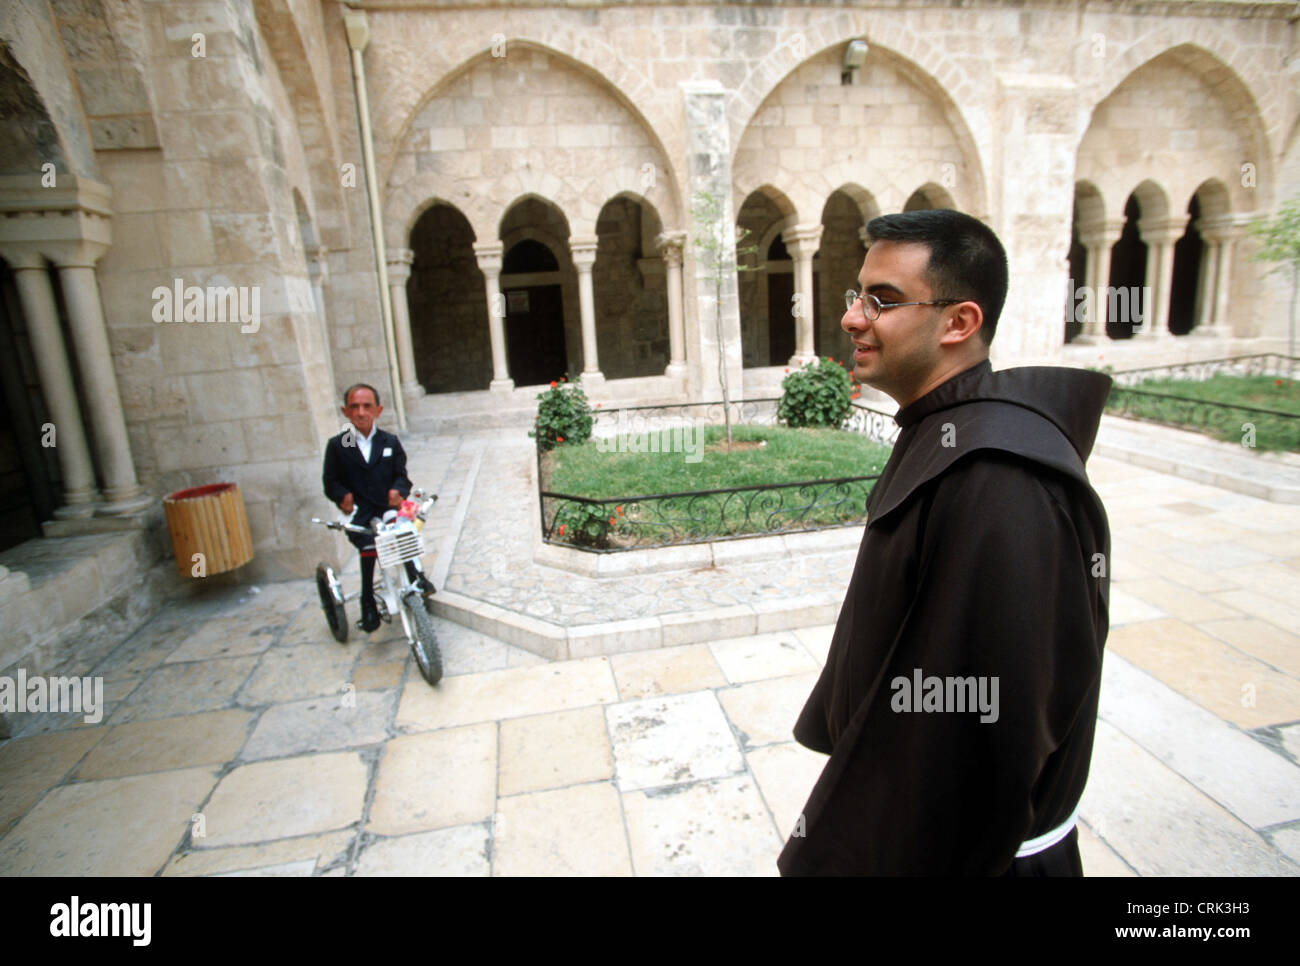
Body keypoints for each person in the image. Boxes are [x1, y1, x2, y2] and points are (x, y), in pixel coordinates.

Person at [777, 209, 1112, 876]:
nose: (851, 318)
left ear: (960, 322)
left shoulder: (1001, 479)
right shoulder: (945, 428)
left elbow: (982, 731)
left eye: (883, 300)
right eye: (856, 295)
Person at [322, 383, 434, 632]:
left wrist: (398, 490)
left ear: (378, 410)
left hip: (387, 505)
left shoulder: (389, 442)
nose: (361, 412)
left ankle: (415, 577)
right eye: (354, 407)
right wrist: (343, 496)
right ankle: (367, 600)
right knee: (370, 545)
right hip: (360, 511)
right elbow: (330, 482)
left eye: (367, 406)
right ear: (345, 411)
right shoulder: (339, 445)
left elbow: (401, 475)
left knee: (404, 531)